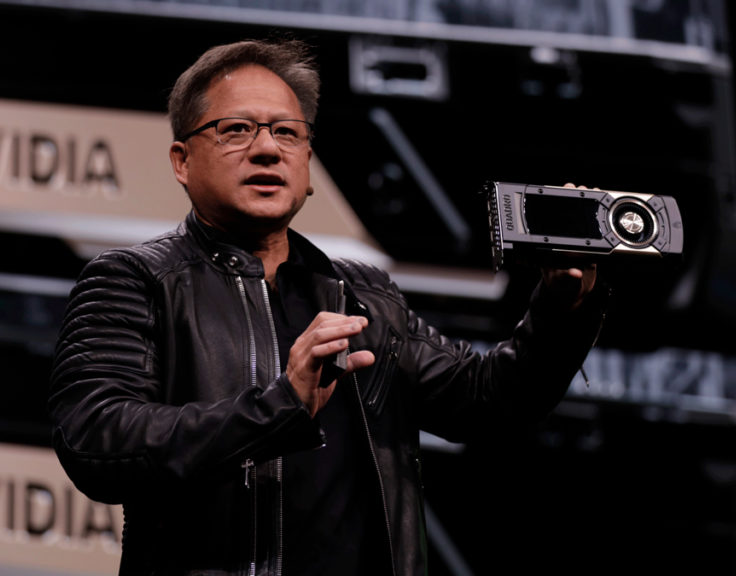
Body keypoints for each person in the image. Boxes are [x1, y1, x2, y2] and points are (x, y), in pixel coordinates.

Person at [48, 37, 605, 576]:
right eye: (236, 129)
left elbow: (488, 401)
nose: (267, 149)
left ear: (308, 162)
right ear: (182, 160)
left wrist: (561, 305)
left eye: (287, 133)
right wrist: (280, 407)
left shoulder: (365, 294)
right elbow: (97, 441)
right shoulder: (134, 280)